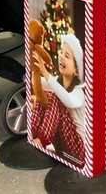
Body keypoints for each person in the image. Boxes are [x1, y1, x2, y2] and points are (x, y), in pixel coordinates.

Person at [30, 34, 85, 165]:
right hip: (62, 143)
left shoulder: (79, 91)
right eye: (61, 52)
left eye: (67, 56)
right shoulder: (56, 81)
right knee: (44, 94)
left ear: (76, 71)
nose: (61, 56)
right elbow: (39, 83)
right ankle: (33, 133)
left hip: (79, 148)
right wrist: (35, 69)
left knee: (54, 96)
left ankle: (41, 140)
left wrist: (45, 73)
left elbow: (68, 100)